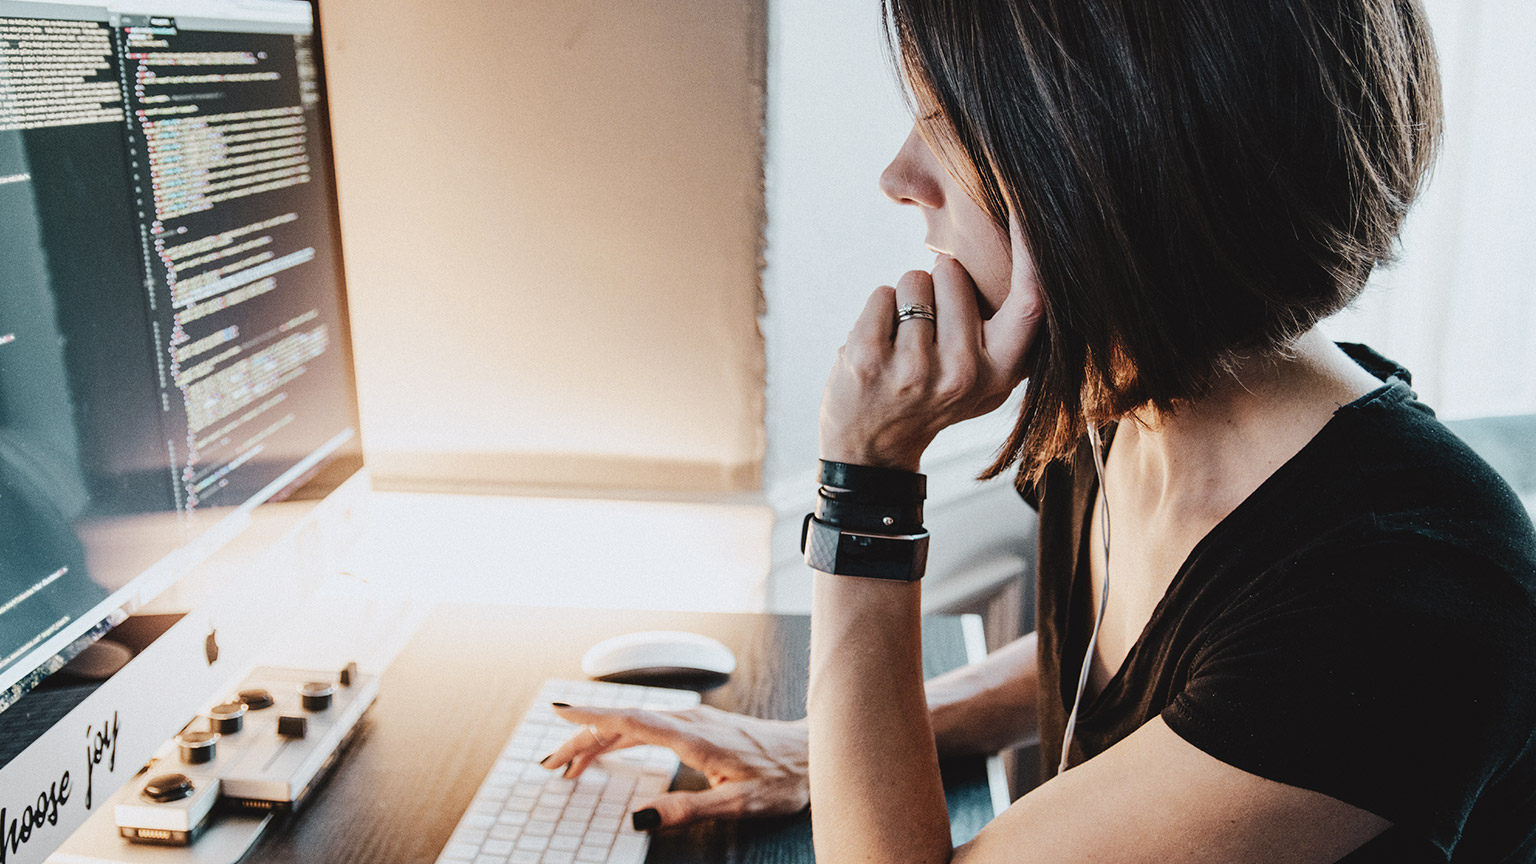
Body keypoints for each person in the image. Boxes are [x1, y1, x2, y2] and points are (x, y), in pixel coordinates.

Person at [542, 0, 1536, 860]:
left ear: (1112, 167)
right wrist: (825, 746)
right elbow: (1198, 671)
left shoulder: (1400, 598)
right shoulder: (1126, 402)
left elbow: (1291, 667)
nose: (899, 175)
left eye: (946, 125)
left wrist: (868, 480)